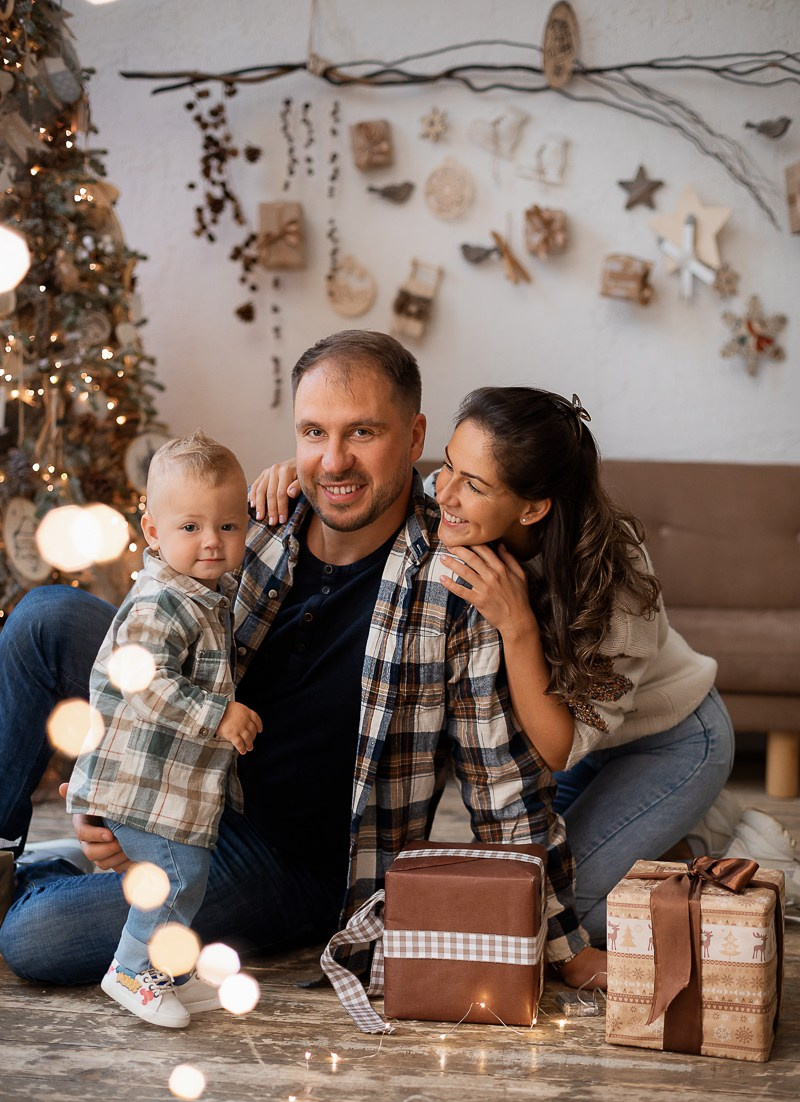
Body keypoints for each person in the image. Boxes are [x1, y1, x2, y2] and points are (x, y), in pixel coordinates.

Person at [0, 333, 601, 996]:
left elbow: (502, 785)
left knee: (39, 936)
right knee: (46, 619)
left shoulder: (457, 583)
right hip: (197, 771)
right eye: (314, 432)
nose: (333, 460)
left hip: (289, 862)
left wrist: (565, 947)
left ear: (414, 436)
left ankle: (48, 878)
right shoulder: (260, 518)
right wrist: (122, 792)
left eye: (363, 432)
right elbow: (153, 638)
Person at [251, 387, 736, 942]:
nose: (443, 492)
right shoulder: (448, 503)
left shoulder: (613, 581)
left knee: (572, 914)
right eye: (449, 466)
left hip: (668, 740)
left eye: (474, 485)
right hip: (575, 749)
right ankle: (662, 836)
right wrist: (302, 479)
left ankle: (709, 839)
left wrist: (518, 625)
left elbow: (557, 749)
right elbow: (373, 494)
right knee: (514, 894)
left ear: (532, 507)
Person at [65, 430, 261, 1028]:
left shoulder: (204, 596)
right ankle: (131, 969)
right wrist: (218, 713)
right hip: (141, 783)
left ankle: (167, 970)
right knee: (175, 878)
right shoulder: (162, 602)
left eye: (228, 526)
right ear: (152, 531)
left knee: (189, 877)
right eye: (191, 527)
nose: (212, 541)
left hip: (171, 785)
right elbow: (142, 681)